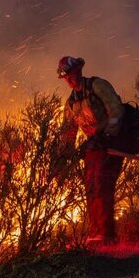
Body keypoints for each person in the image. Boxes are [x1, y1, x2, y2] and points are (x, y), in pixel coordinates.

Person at [57, 56, 125, 246]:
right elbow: (67, 133)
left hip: (113, 143)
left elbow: (116, 109)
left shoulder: (98, 86)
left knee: (102, 183)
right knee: (91, 186)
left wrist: (108, 135)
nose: (70, 80)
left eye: (72, 74)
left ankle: (107, 235)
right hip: (94, 145)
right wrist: (63, 156)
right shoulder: (71, 103)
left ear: (79, 71)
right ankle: (97, 233)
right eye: (66, 78)